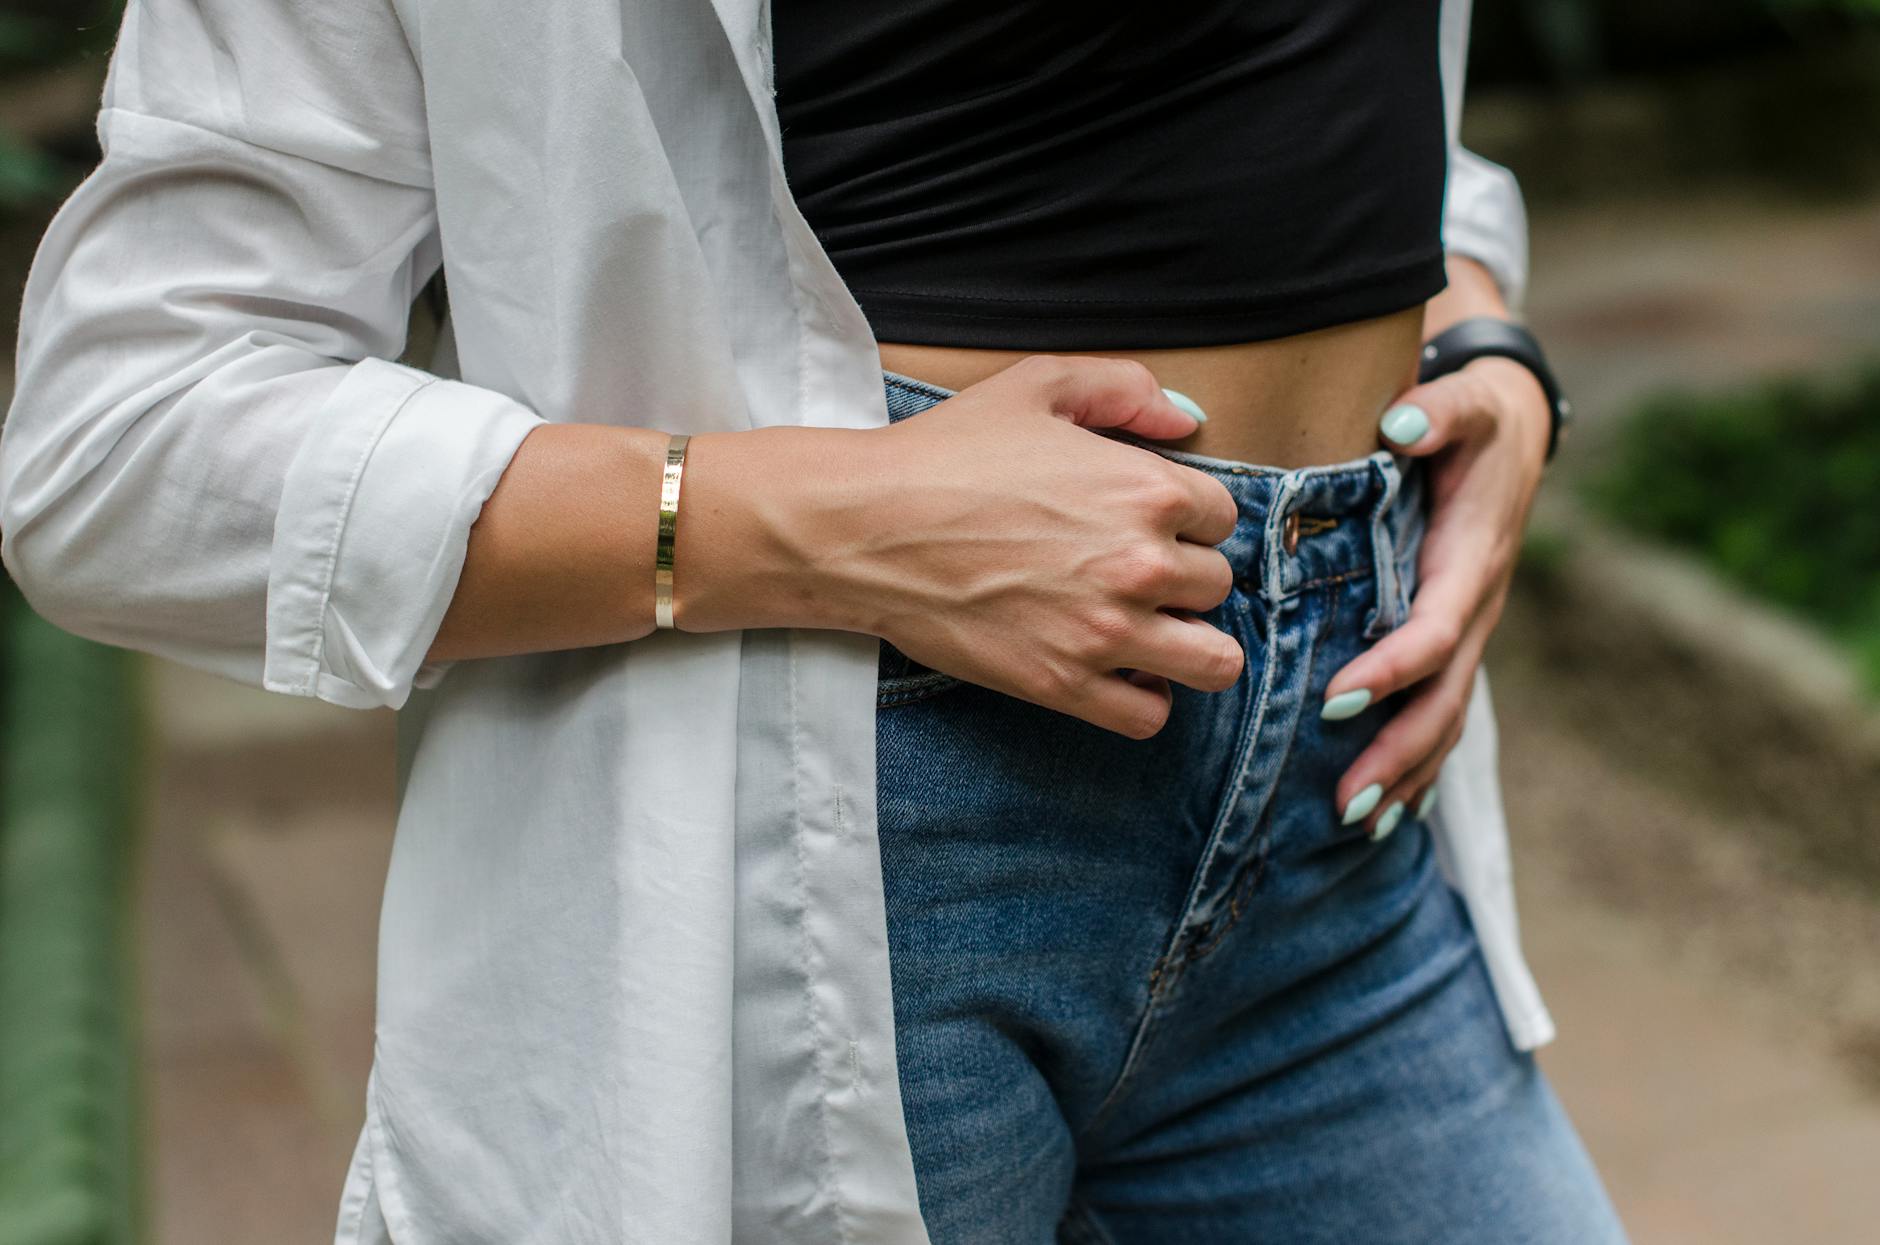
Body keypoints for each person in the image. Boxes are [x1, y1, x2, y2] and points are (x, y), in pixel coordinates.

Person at [0, 0, 1621, 1241]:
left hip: (1342, 794)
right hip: (860, 807)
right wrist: (815, 522)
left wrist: (1479, 330)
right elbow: (126, 433)